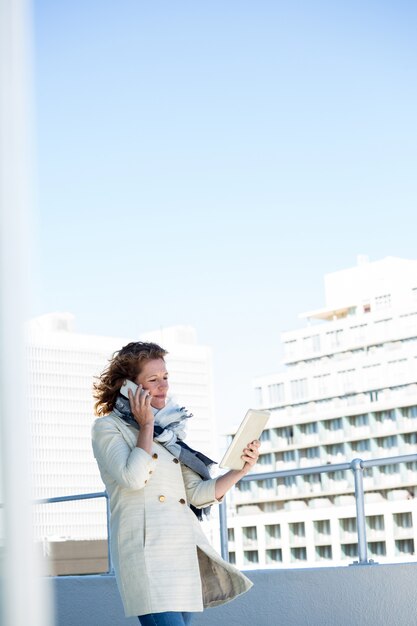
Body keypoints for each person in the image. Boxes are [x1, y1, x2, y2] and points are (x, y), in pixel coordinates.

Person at [91, 341, 261, 626]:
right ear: (128, 387)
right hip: (148, 557)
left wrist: (240, 470)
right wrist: (145, 425)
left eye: (165, 377)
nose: (163, 386)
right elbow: (133, 478)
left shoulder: (169, 431)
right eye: (153, 380)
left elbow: (197, 494)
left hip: (181, 555)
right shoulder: (108, 427)